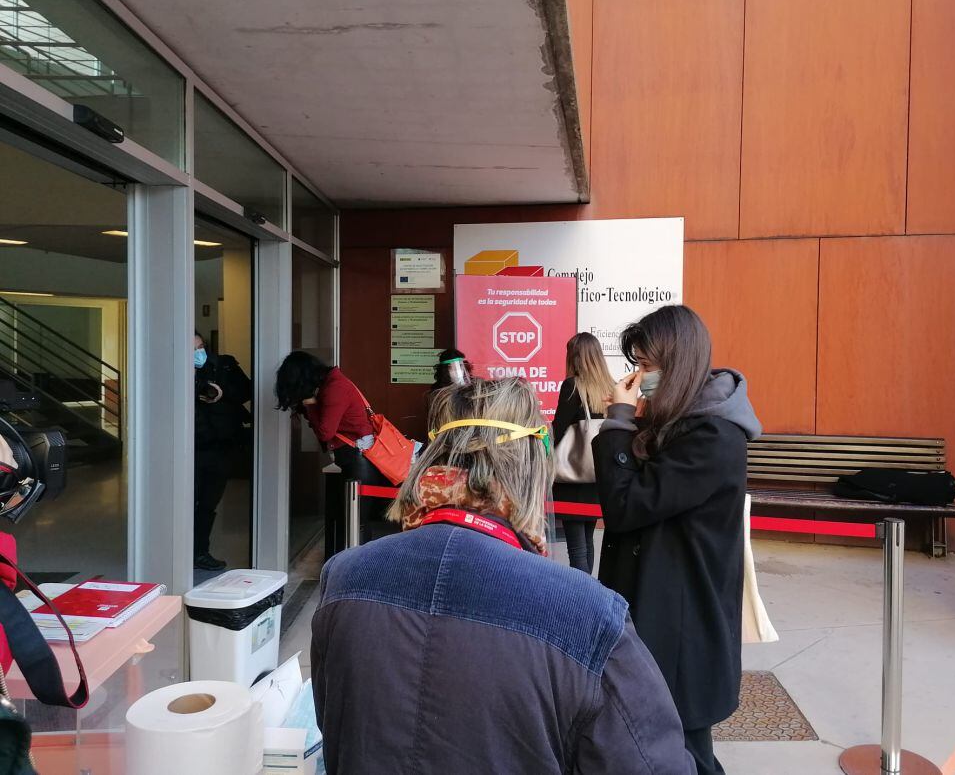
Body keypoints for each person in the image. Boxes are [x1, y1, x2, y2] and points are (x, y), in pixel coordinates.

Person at [312, 378, 694, 775]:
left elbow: (335, 726)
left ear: (432, 457)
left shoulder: (343, 578)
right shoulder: (587, 615)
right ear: (532, 464)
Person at [592, 305, 762, 775]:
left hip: (682, 619)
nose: (639, 377)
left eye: (646, 366)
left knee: (686, 749)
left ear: (677, 363)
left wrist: (619, 421)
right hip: (659, 605)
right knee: (657, 741)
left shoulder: (713, 436)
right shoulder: (680, 423)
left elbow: (626, 506)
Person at [274, 351, 383, 557]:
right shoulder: (332, 383)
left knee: (355, 521)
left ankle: (354, 568)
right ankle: (348, 565)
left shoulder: (335, 388)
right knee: (352, 519)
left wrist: (310, 406)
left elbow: (326, 432)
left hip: (359, 460)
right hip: (354, 458)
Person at [552, 332, 613, 574]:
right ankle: (590, 593)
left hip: (573, 478)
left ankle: (581, 602)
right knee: (587, 542)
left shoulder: (572, 386)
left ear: (575, 357)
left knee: (577, 549)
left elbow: (558, 429)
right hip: (599, 477)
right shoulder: (611, 387)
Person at [193, 332, 251, 571]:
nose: (198, 353)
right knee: (185, 503)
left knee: (208, 503)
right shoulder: (172, 372)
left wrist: (223, 393)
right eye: (192, 350)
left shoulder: (224, 366)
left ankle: (200, 552)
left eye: (201, 346)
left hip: (220, 447)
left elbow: (247, 392)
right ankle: (178, 551)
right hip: (189, 449)